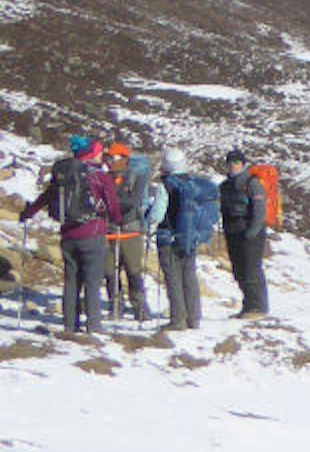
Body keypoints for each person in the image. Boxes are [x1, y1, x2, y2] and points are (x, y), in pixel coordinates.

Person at [22, 135, 121, 335]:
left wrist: (27, 214)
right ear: (92, 153)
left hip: (68, 234)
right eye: (100, 151)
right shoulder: (99, 176)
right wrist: (117, 220)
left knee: (71, 280)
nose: (103, 155)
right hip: (92, 233)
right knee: (92, 281)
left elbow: (45, 197)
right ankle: (93, 326)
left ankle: (69, 325)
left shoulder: (64, 174)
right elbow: (113, 206)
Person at [155, 148, 218, 331]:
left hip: (168, 237)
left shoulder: (165, 186)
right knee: (189, 276)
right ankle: (194, 318)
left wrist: (147, 219)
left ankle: (178, 320)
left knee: (173, 279)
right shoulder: (193, 185)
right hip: (190, 237)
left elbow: (157, 214)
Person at [101, 142, 153, 322]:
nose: (109, 161)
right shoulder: (103, 178)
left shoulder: (137, 178)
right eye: (109, 157)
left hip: (131, 232)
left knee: (133, 271)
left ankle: (139, 307)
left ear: (124, 159)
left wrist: (110, 204)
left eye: (114, 158)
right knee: (109, 272)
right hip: (109, 232)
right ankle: (115, 306)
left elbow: (133, 202)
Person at [218, 149, 269, 318]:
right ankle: (248, 306)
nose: (233, 166)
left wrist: (251, 232)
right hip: (233, 232)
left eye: (237, 162)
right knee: (239, 270)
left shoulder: (251, 183)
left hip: (249, 232)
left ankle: (258, 307)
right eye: (230, 162)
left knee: (251, 269)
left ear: (243, 164)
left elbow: (260, 210)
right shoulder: (225, 186)